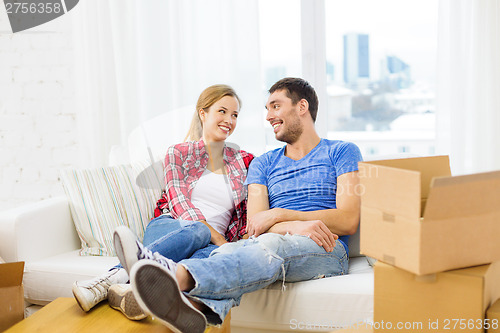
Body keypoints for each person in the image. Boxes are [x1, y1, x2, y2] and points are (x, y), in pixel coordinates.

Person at [114, 77, 363, 333]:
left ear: (302, 107)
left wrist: (279, 215)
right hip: (272, 241)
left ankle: (175, 275)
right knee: (230, 251)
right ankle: (192, 307)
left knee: (268, 244)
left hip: (327, 247)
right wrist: (298, 226)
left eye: (275, 106)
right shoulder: (262, 164)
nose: (268, 116)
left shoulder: (342, 152)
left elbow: (348, 219)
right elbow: (255, 225)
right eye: (267, 108)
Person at [71, 84, 254, 320]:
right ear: (203, 113)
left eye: (235, 114)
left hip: (210, 246)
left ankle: (130, 293)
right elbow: (179, 203)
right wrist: (217, 236)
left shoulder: (243, 161)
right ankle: (109, 279)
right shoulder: (178, 152)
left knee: (205, 264)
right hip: (172, 228)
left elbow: (252, 206)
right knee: (198, 230)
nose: (229, 119)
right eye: (222, 111)